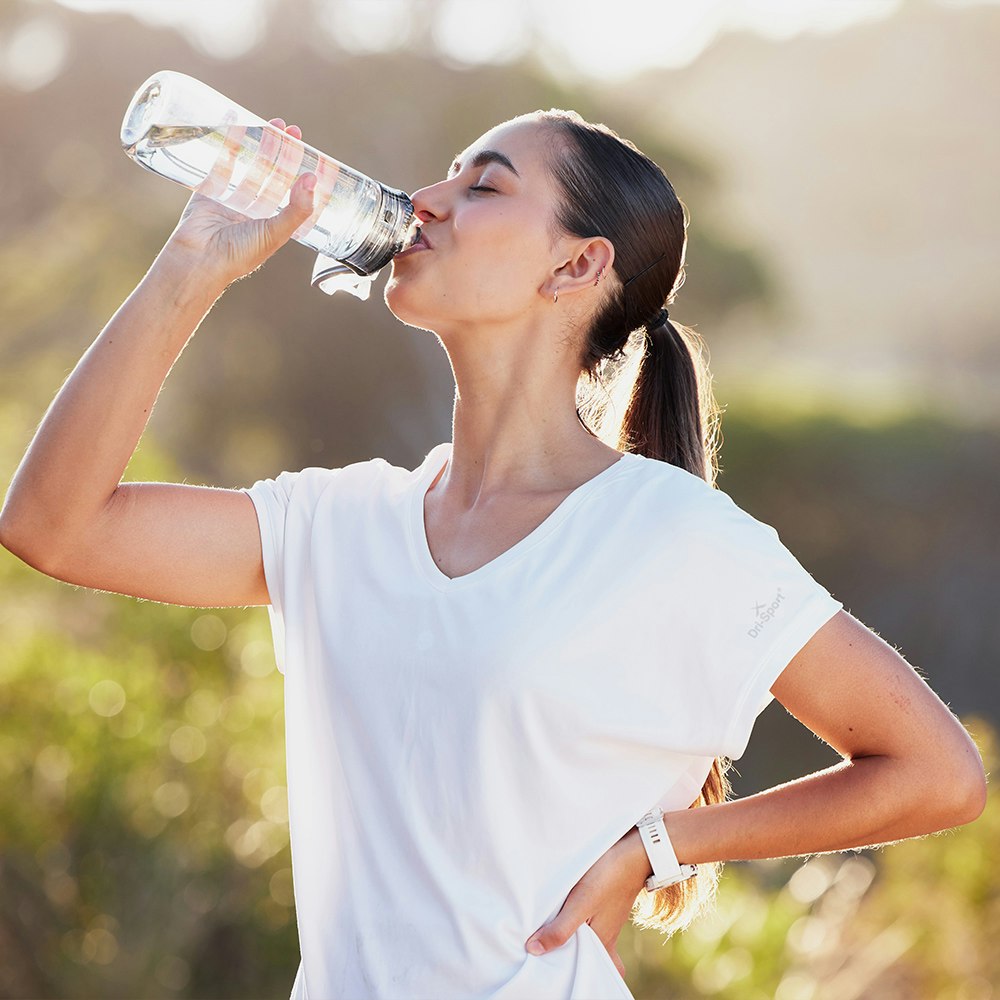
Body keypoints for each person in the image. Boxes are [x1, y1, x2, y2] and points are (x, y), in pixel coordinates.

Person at [0, 107, 987, 1000]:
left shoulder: (668, 534)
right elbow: (54, 524)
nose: (425, 203)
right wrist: (192, 262)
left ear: (574, 267)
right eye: (444, 177)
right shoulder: (340, 523)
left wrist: (664, 843)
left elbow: (935, 771)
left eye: (483, 187)